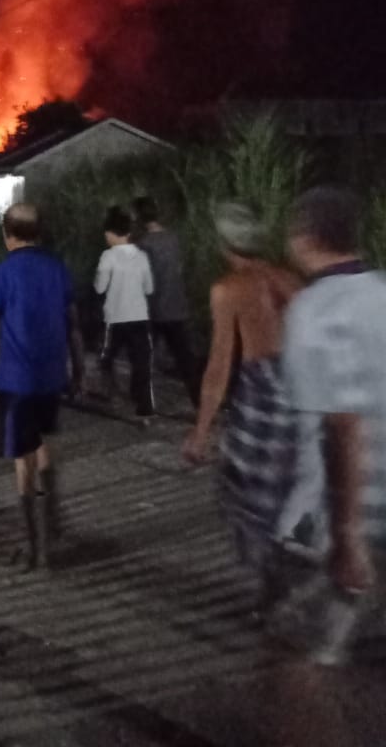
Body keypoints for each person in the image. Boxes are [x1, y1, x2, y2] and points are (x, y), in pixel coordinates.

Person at [282, 185, 386, 664]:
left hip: (338, 511)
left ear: (306, 238)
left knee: (310, 661)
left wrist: (346, 535)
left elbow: (339, 424)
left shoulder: (312, 310)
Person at [183, 202, 300, 606]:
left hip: (260, 398)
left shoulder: (228, 290)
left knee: (245, 493)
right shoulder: (290, 280)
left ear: (223, 243)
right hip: (298, 390)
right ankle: (288, 579)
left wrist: (201, 429)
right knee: (290, 489)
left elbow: (219, 364)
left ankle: (274, 588)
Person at [0, 202, 84, 570]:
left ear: (7, 234)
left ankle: (34, 547)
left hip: (16, 381)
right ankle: (54, 524)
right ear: (40, 233)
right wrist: (79, 370)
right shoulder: (57, 270)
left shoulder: (0, 275)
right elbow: (73, 325)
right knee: (46, 445)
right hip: (51, 378)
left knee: (23, 461)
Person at [131, 196, 200, 407]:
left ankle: (141, 401)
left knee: (143, 356)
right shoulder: (174, 238)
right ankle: (198, 399)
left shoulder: (143, 245)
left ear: (140, 217)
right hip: (177, 306)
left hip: (154, 309)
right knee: (185, 358)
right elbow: (183, 268)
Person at [95, 206, 155, 422]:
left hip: (115, 318)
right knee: (141, 362)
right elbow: (149, 289)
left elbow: (100, 288)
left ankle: (113, 396)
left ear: (110, 233)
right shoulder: (141, 256)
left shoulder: (107, 257)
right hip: (139, 316)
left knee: (106, 359)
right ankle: (144, 406)